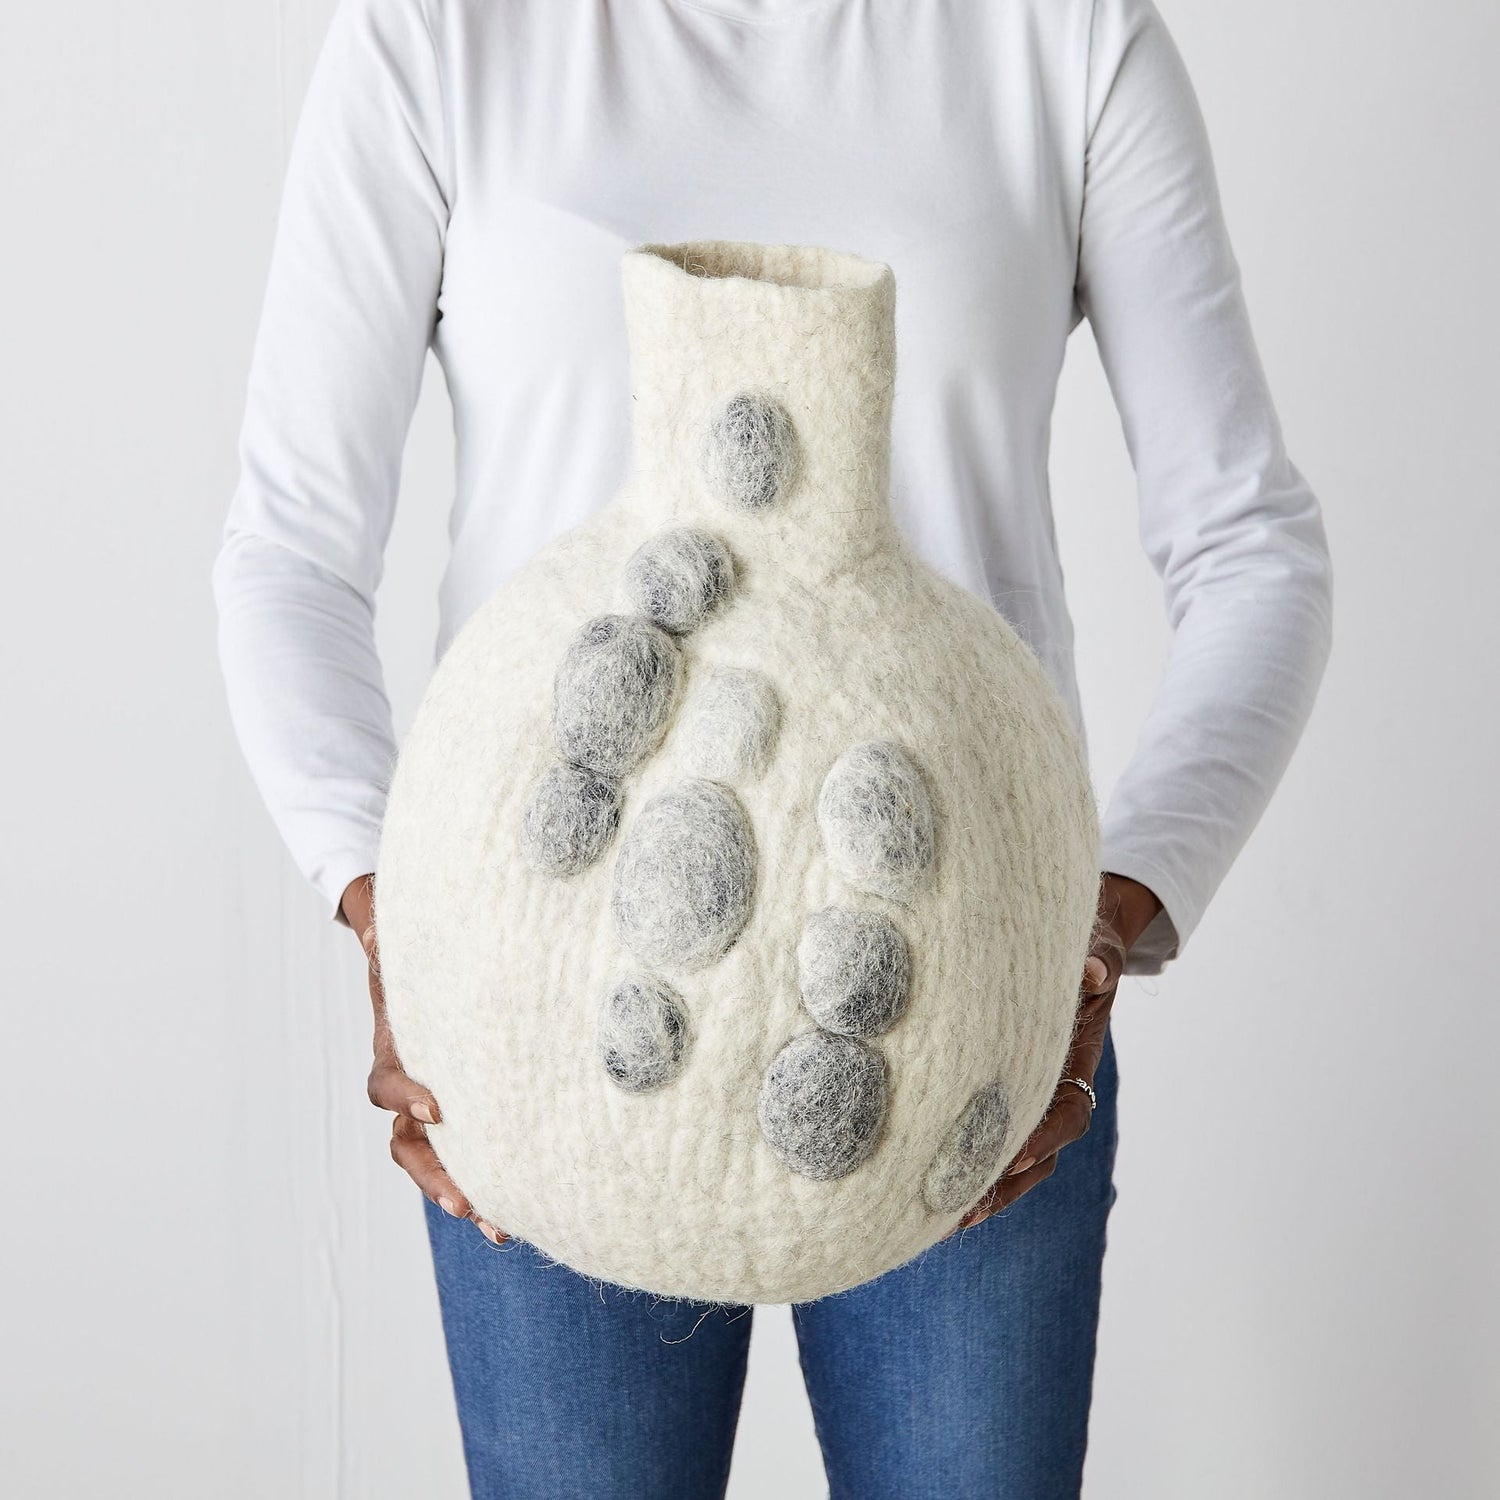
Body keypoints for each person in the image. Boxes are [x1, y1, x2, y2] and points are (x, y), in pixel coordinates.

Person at [212, 0, 1333, 1493]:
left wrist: (1114, 914)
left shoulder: (1057, 36)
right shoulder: (440, 34)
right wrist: (386, 911)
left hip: (969, 1002)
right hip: (545, 1006)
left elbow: (1252, 546)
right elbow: (289, 552)